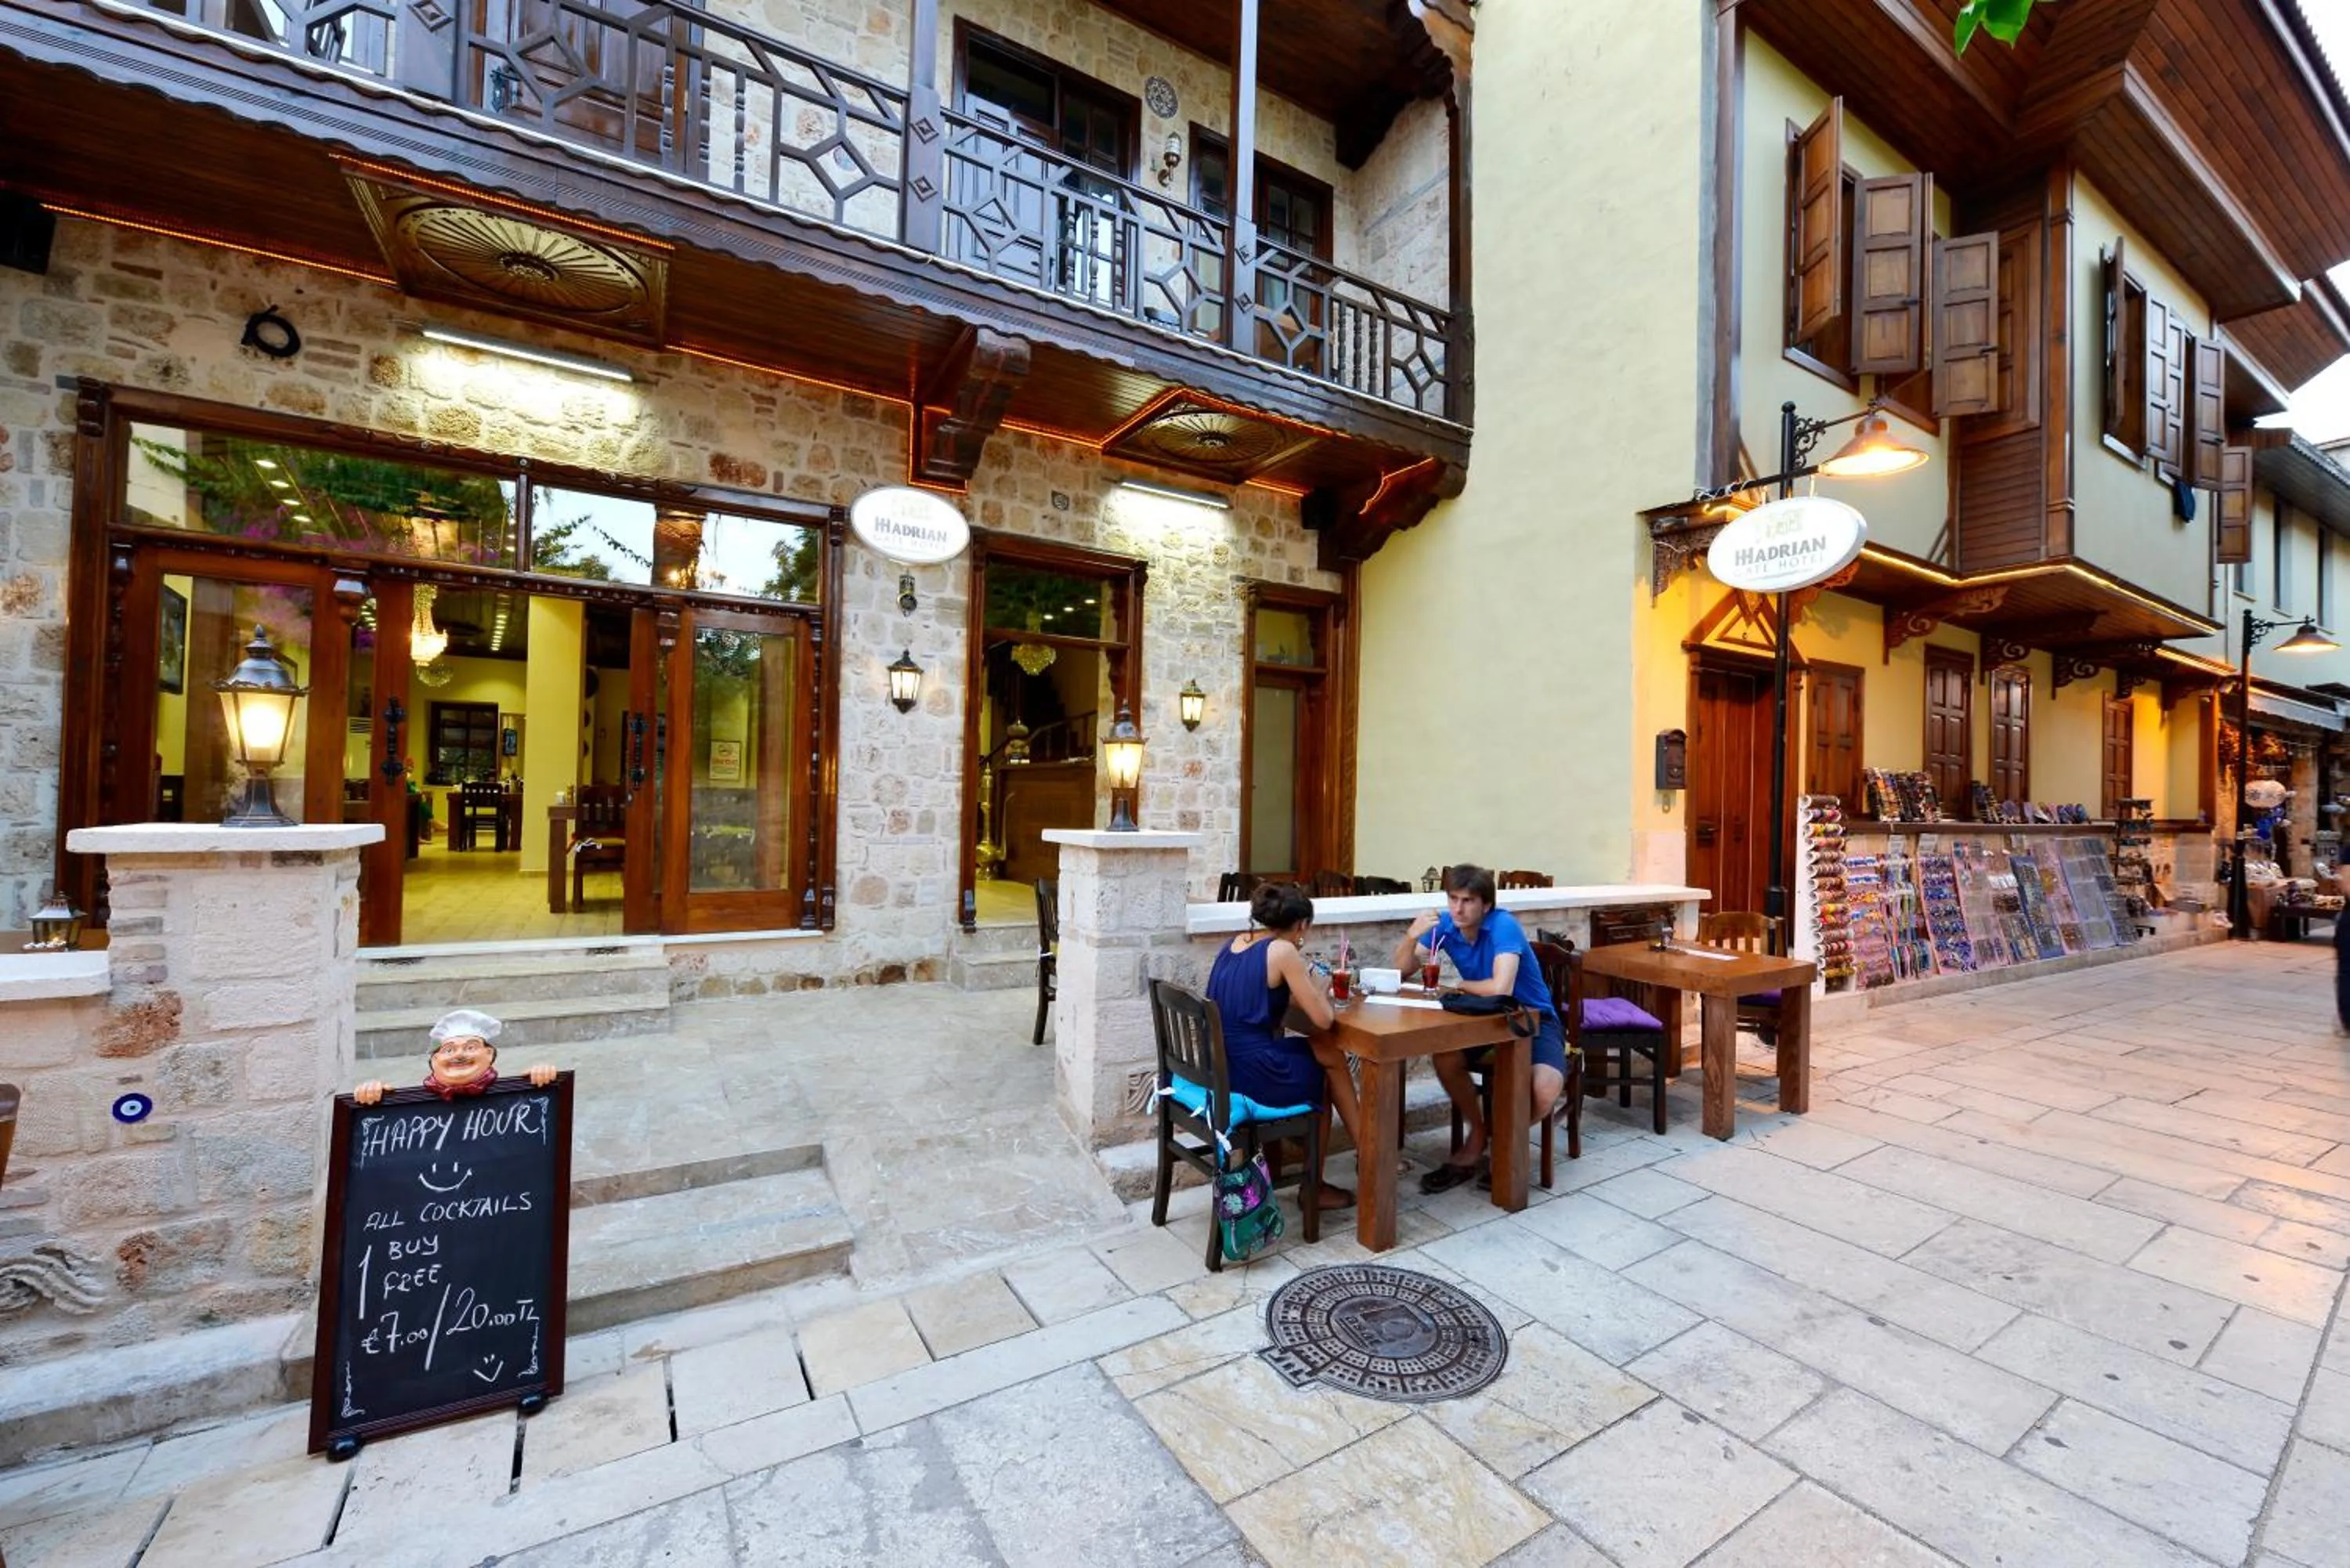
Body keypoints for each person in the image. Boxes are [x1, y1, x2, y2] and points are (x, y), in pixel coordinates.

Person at [1393, 864, 1568, 1194]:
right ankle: (1482, 1133)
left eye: (1468, 900)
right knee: (1444, 1056)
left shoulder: (1503, 926)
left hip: (1531, 1019)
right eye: (1453, 899)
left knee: (1544, 1089)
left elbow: (1501, 987)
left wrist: (1456, 983)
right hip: (1483, 1018)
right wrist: (1411, 935)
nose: (1458, 908)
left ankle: (1489, 1140)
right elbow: (1401, 971)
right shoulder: (1446, 924)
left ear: (1486, 905)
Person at [1203, 882, 1364, 1209]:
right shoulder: (1283, 951)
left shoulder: (1233, 943)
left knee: (1325, 1056)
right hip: (1251, 1073)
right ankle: (1334, 1174)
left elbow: (1257, 996)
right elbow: (1323, 1020)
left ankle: (1358, 1153)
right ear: (1302, 924)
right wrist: (1318, 987)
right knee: (1326, 1067)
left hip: (1223, 1067)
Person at [355, 1009, 556, 1105]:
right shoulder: (416, 1104)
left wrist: (542, 1078)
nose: (459, 1055)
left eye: (470, 1048)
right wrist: (372, 1094)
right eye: (449, 1050)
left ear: (489, 1054)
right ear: (434, 1061)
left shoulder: (510, 1099)